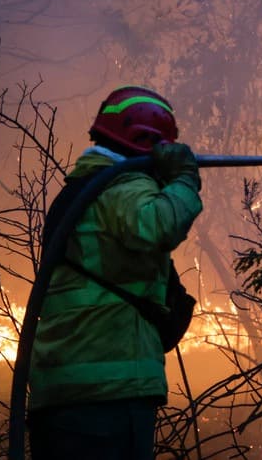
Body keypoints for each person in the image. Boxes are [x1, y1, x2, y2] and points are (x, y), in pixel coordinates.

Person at [27, 86, 202, 460]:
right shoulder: (124, 185)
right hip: (108, 393)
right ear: (151, 144)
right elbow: (159, 224)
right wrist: (185, 178)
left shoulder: (85, 190)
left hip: (62, 391)